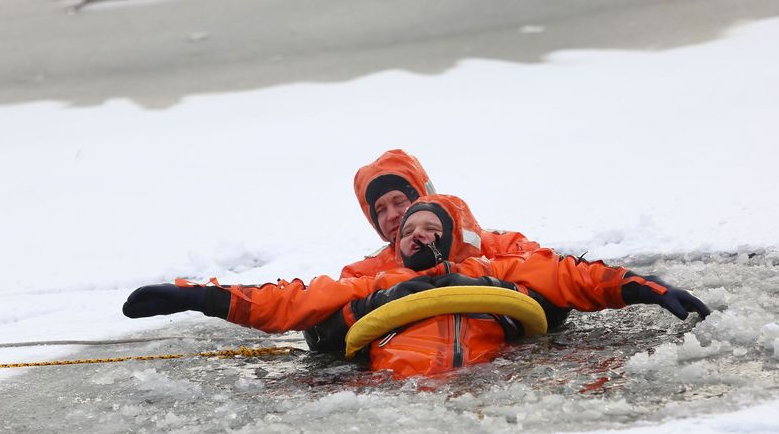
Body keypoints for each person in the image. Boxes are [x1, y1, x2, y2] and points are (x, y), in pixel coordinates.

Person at [123, 195, 710, 378]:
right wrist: (196, 296)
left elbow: (572, 277)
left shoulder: (494, 272)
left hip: (494, 379)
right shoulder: (370, 281)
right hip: (395, 391)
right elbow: (288, 301)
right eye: (408, 228)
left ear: (452, 240)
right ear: (395, 242)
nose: (417, 233)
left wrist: (647, 288)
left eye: (432, 227)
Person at [342, 149, 541, 278]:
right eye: (381, 210)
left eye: (399, 201)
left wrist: (482, 276)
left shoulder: (501, 247)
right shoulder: (363, 275)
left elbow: (545, 273)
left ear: (425, 197)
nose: (392, 214)